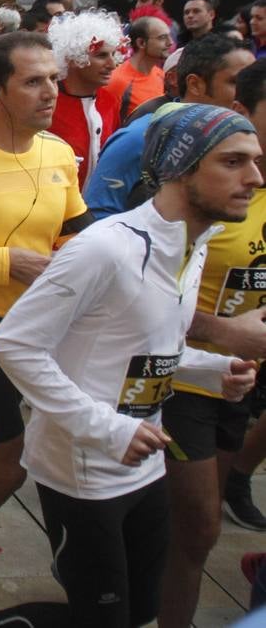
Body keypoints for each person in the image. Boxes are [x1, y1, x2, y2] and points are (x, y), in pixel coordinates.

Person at [0, 102, 260, 627]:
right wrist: (106, 429)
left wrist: (211, 370)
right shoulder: (105, 248)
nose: (255, 177)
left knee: (140, 611)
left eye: (255, 161)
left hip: (144, 459)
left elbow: (139, 345)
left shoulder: (192, 242)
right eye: (233, 162)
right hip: (81, 471)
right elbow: (15, 344)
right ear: (182, 167)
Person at [0, 31, 93, 618]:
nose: (50, 92)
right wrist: (9, 261)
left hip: (37, 336)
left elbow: (75, 232)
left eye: (53, 78)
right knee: (7, 459)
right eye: (33, 81)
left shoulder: (58, 152)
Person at [156, 61, 266, 628]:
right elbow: (142, 303)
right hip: (185, 377)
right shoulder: (203, 197)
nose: (252, 174)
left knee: (203, 528)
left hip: (242, 379)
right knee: (196, 527)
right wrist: (223, 332)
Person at [85, 35, 254, 218]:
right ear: (195, 84)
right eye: (236, 82)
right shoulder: (140, 137)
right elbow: (98, 214)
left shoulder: (248, 139)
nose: (249, 92)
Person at [46, 11, 123, 188]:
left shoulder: (110, 101)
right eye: (102, 56)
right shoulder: (47, 102)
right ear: (73, 58)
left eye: (113, 54)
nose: (112, 65)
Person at [108, 16, 172, 122]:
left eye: (169, 36)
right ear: (141, 43)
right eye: (162, 38)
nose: (170, 42)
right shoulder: (117, 81)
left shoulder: (161, 75)